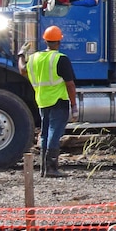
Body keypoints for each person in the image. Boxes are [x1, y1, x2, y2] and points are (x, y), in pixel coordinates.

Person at [19, 25, 79, 178]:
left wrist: (20, 55)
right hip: (58, 101)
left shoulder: (34, 58)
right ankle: (51, 168)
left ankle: (44, 169)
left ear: (45, 41)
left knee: (45, 134)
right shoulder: (60, 59)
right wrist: (74, 105)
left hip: (42, 101)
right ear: (59, 41)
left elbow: (22, 70)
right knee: (54, 133)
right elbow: (70, 84)